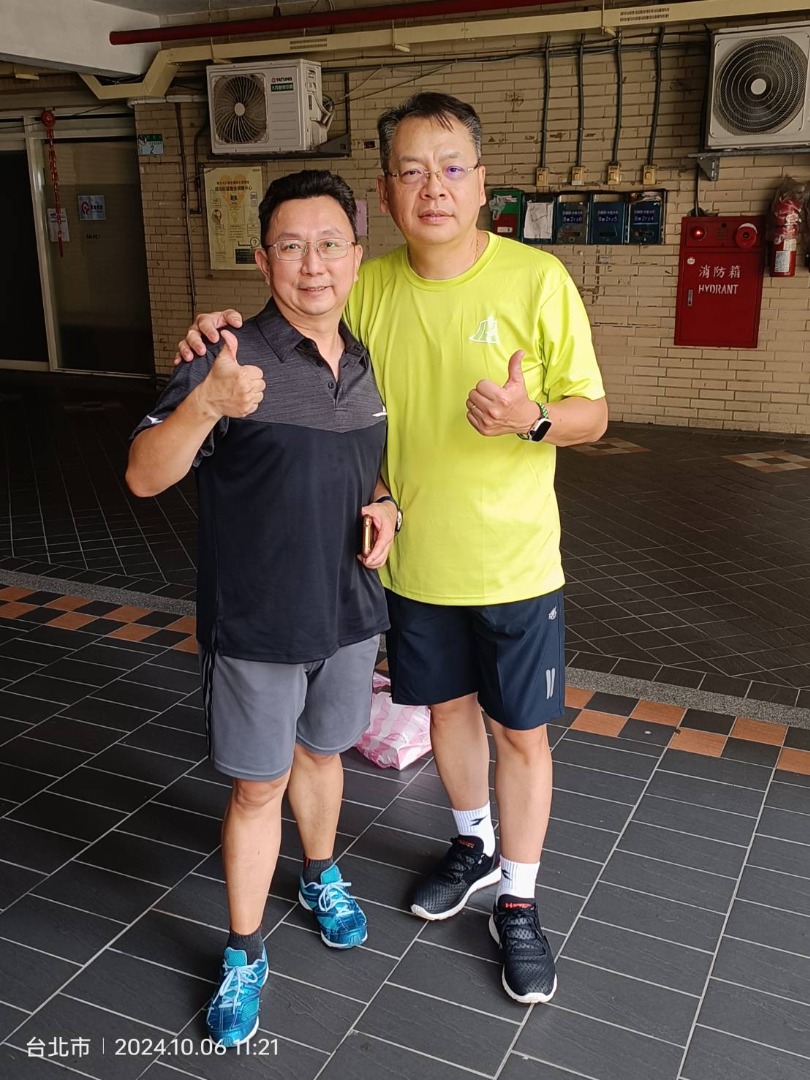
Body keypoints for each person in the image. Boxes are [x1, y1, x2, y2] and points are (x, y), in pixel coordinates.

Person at [176, 92, 608, 1006]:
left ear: (482, 184)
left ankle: (521, 902)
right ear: (386, 191)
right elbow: (300, 328)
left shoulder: (538, 280)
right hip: (403, 566)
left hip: (515, 562)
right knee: (448, 714)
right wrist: (211, 335)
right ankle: (471, 846)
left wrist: (533, 418)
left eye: (451, 169)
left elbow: (594, 414)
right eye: (412, 171)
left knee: (520, 734)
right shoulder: (366, 284)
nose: (433, 188)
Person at [127, 170, 400, 1048]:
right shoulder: (225, 356)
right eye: (291, 246)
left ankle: (319, 873)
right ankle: (244, 951)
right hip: (256, 622)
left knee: (325, 755)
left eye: (329, 245)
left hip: (349, 614)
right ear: (262, 259)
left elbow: (362, 472)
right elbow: (143, 475)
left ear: (356, 255)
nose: (312, 265)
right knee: (258, 787)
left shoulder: (362, 359)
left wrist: (387, 507)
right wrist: (207, 403)